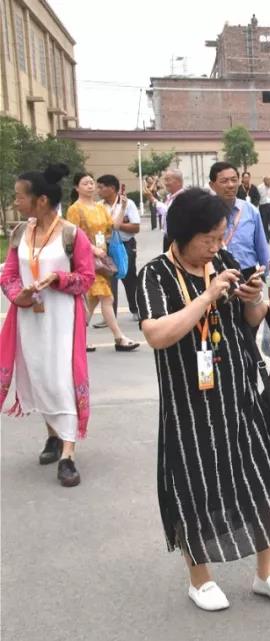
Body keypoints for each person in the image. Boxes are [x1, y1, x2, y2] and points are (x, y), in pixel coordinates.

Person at [136, 188, 270, 611]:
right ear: (183, 234)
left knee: (259, 477)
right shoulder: (155, 275)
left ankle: (266, 573)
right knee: (195, 486)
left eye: (220, 236)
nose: (216, 245)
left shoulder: (222, 262)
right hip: (188, 403)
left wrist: (253, 297)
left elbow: (251, 320)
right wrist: (207, 296)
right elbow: (157, 334)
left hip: (237, 393)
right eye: (208, 238)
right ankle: (200, 579)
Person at [1, 164, 95, 487]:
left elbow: (86, 278)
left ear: (40, 200)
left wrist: (58, 278)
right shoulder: (20, 233)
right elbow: (8, 275)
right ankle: (53, 436)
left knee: (62, 380)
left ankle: (68, 454)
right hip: (29, 319)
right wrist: (20, 295)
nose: (15, 201)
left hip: (62, 320)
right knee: (40, 377)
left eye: (19, 196)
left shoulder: (71, 234)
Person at [65, 172, 139, 352]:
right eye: (85, 183)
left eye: (91, 182)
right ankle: (119, 338)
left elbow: (112, 227)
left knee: (92, 301)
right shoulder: (75, 209)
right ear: (77, 188)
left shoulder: (99, 208)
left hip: (101, 258)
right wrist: (92, 249)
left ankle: (76, 338)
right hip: (86, 259)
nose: (90, 186)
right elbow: (73, 235)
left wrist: (122, 207)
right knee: (107, 297)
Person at [207, 162, 270, 273]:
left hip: (248, 273)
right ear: (212, 185)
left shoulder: (251, 211)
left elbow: (262, 250)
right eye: (224, 181)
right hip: (216, 273)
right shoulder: (204, 212)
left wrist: (266, 275)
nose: (230, 185)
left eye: (234, 180)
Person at [96, 175, 140, 321]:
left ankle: (136, 309)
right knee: (109, 280)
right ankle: (110, 315)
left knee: (129, 276)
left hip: (125, 245)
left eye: (101, 187)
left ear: (112, 188)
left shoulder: (128, 204)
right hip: (105, 246)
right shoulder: (98, 206)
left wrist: (116, 225)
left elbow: (135, 227)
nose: (98, 190)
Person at [151, 168, 185, 252]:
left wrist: (153, 200)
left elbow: (169, 213)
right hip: (168, 238)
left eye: (168, 180)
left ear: (178, 181)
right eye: (165, 180)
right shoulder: (170, 196)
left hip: (178, 239)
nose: (165, 183)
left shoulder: (183, 197)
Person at [257, 175, 270, 243]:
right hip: (263, 206)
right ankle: (267, 237)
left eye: (269, 180)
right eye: (266, 180)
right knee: (264, 223)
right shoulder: (259, 187)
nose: (268, 181)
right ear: (264, 180)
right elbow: (257, 197)